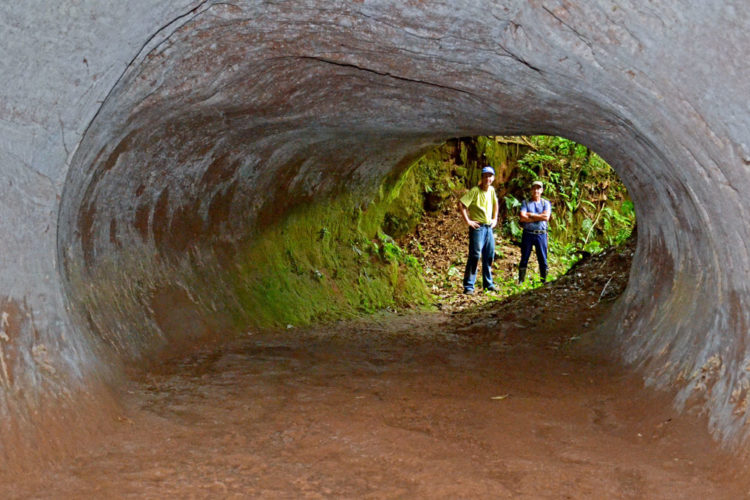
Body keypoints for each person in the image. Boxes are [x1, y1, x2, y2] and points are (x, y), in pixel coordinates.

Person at [458, 166, 499, 294]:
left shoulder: (491, 190)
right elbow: (462, 204)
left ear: (493, 178)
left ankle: (488, 283)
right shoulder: (475, 190)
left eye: (490, 176)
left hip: (488, 228)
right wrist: (468, 221)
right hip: (478, 228)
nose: (488, 178)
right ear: (482, 177)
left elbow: (495, 203)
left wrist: (495, 218)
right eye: (485, 176)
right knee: (475, 255)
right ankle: (469, 286)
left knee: (489, 255)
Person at [518, 180, 551, 283]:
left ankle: (543, 281)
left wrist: (531, 215)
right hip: (528, 233)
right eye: (534, 188)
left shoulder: (545, 203)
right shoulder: (526, 202)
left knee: (543, 259)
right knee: (524, 257)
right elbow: (522, 217)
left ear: (541, 190)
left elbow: (546, 217)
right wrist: (539, 217)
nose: (536, 190)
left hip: (541, 234)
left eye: (538, 188)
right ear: (531, 190)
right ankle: (521, 281)